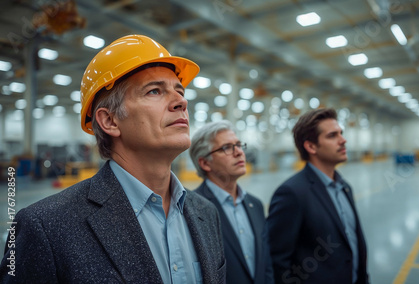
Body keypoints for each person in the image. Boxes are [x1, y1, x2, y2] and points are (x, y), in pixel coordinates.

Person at [0, 35, 226, 283]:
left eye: (179, 91)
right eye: (154, 91)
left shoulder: (207, 213)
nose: (181, 101)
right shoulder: (45, 228)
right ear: (109, 121)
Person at [266, 108, 369, 284]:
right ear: (311, 146)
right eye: (332, 136)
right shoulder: (292, 193)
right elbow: (277, 260)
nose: (343, 140)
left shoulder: (345, 188)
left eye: (341, 133)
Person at [189, 120, 274, 284]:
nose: (239, 153)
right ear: (205, 163)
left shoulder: (255, 205)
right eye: (227, 148)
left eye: (239, 145)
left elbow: (266, 263)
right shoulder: (192, 209)